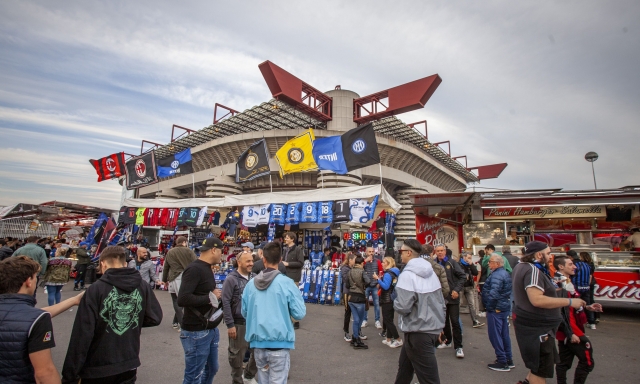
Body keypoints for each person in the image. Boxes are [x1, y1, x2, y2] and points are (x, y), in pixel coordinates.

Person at [62, 246, 163, 384]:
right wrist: (133, 319)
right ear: (125, 264)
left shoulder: (96, 289)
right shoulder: (142, 285)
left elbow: (82, 334)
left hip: (97, 366)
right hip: (129, 362)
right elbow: (155, 317)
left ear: (103, 263)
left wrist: (70, 375)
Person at [0, 256, 84, 384]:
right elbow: (45, 373)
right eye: (35, 278)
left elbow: (22, 317)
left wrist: (73, 301)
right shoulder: (36, 319)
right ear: (28, 281)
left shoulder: (28, 316)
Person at [512, 241, 586, 384]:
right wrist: (570, 302)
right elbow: (537, 300)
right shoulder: (532, 270)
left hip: (537, 327)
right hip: (537, 329)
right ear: (539, 254)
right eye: (548, 253)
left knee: (541, 366)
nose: (550, 257)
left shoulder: (522, 267)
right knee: (540, 370)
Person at [242, 241, 306, 384]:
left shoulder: (250, 285)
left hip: (258, 342)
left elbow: (244, 312)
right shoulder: (287, 283)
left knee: (263, 379)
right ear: (280, 260)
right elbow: (299, 313)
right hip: (279, 342)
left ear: (263, 259)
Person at [393, 239, 445, 384]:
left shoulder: (407, 275)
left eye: (401, 251)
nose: (400, 255)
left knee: (429, 378)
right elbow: (440, 301)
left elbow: (403, 306)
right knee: (404, 371)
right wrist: (440, 326)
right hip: (428, 328)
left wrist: (394, 302)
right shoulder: (431, 272)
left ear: (409, 253)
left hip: (417, 332)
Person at [177, 237, 225, 384]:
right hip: (195, 331)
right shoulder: (194, 269)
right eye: (221, 252)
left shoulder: (206, 268)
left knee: (212, 369)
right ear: (214, 250)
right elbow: (182, 299)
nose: (222, 256)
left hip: (209, 328)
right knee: (193, 377)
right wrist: (210, 298)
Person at [553, 256, 602, 384]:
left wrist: (588, 307)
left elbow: (573, 303)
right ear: (561, 267)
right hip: (571, 330)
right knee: (587, 362)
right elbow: (559, 312)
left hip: (569, 329)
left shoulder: (565, 281)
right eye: (571, 264)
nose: (575, 266)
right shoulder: (559, 284)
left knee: (563, 363)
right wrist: (570, 333)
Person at [222, 251, 258, 384]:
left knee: (258, 352)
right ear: (239, 262)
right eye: (248, 261)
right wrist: (230, 325)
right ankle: (237, 380)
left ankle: (248, 375)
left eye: (252, 261)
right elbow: (225, 302)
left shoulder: (255, 277)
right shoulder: (231, 279)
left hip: (254, 323)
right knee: (236, 356)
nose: (251, 264)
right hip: (238, 323)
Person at [482, 255, 514, 371]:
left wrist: (489, 307)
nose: (488, 264)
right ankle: (508, 359)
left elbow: (493, 293)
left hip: (496, 308)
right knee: (504, 334)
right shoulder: (504, 273)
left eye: (490, 262)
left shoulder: (497, 275)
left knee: (495, 335)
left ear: (497, 263)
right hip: (503, 307)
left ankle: (502, 361)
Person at [434, 244, 466, 358]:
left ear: (445, 251)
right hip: (440, 298)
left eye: (442, 250)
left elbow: (463, 276)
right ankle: (447, 341)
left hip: (452, 297)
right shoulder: (434, 264)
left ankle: (459, 347)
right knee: (444, 321)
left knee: (455, 321)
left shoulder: (452, 263)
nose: (440, 253)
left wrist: (457, 290)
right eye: (438, 251)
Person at [162, 236, 197, 331]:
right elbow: (196, 264)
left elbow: (166, 267)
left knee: (175, 301)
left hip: (173, 277)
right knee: (183, 302)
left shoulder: (170, 252)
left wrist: (164, 280)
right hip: (185, 277)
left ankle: (175, 322)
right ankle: (183, 324)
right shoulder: (189, 251)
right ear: (184, 242)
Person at [373, 256, 401, 348]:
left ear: (388, 263)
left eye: (384, 262)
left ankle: (398, 339)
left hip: (387, 299)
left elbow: (385, 286)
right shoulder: (394, 273)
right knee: (389, 319)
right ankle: (389, 339)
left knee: (388, 320)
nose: (382, 264)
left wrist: (378, 279)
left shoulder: (388, 274)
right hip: (391, 298)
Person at [567, 250, 596, 330]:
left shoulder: (574, 265)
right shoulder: (586, 264)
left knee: (574, 305)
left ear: (570, 257)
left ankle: (576, 322)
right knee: (587, 304)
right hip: (586, 287)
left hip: (576, 287)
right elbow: (590, 276)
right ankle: (592, 323)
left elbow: (570, 276)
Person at [281, 232, 304, 329]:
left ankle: (296, 321)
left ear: (292, 239)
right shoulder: (285, 249)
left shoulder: (298, 249)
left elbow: (300, 263)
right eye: (285, 237)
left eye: (287, 238)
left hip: (294, 277)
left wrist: (288, 264)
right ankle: (287, 319)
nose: (285, 239)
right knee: (284, 298)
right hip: (284, 276)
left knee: (293, 298)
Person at [348, 255, 370, 349]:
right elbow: (368, 281)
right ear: (361, 263)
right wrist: (363, 285)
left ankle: (355, 338)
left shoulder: (350, 271)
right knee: (359, 320)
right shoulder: (362, 271)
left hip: (351, 297)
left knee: (355, 320)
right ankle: (356, 339)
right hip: (360, 298)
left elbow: (346, 283)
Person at [459, 252, 484, 328]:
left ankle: (475, 321)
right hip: (461, 286)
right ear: (464, 257)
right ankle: (458, 321)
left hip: (469, 286)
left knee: (471, 304)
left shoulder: (470, 265)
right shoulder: (458, 264)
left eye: (471, 258)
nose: (470, 259)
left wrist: (471, 264)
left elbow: (475, 273)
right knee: (458, 304)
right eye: (469, 257)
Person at [362, 246, 383, 329]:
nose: (371, 253)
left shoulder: (377, 261)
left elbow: (381, 272)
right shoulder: (363, 261)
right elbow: (358, 268)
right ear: (366, 252)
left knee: (377, 304)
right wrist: (365, 261)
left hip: (375, 285)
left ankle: (377, 321)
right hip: (366, 285)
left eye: (372, 251)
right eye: (369, 251)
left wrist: (379, 282)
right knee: (365, 304)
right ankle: (364, 320)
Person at [340, 253, 356, 342]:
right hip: (347, 292)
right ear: (350, 260)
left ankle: (357, 332)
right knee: (348, 312)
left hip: (354, 292)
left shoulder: (354, 268)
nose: (355, 261)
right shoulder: (344, 268)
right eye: (354, 259)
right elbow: (346, 280)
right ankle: (346, 332)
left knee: (356, 313)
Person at [580, 252, 599, 325]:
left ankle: (590, 319)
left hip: (587, 283)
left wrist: (588, 284)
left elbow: (590, 276)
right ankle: (596, 316)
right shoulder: (591, 264)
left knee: (588, 301)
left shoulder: (584, 265)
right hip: (591, 283)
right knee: (591, 299)